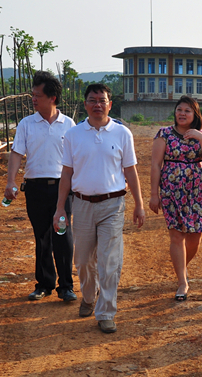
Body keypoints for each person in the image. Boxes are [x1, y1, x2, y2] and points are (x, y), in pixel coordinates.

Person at [54, 83, 145, 334]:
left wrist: (139, 204)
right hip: (82, 204)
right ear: (85, 104)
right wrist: (60, 208)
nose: (97, 105)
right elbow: (66, 173)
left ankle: (106, 312)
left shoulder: (122, 133)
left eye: (102, 100)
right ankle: (88, 295)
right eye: (92, 100)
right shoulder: (73, 135)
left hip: (112, 205)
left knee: (109, 261)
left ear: (110, 104)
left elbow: (130, 171)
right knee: (83, 261)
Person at [5, 71, 77, 302]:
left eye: (38, 95)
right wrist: (10, 182)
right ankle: (44, 284)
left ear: (52, 98)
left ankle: (66, 286)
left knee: (62, 233)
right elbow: (17, 153)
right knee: (42, 236)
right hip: (35, 189)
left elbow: (77, 158)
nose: (34, 99)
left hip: (62, 190)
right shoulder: (27, 124)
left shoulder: (69, 125)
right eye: (33, 95)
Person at [150, 96, 202, 301]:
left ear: (195, 114)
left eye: (187, 110)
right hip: (171, 190)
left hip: (197, 190)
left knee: (196, 238)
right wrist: (154, 194)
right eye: (179, 109)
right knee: (177, 236)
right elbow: (155, 164)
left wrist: (201, 138)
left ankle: (181, 266)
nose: (182, 113)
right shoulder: (164, 134)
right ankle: (182, 282)